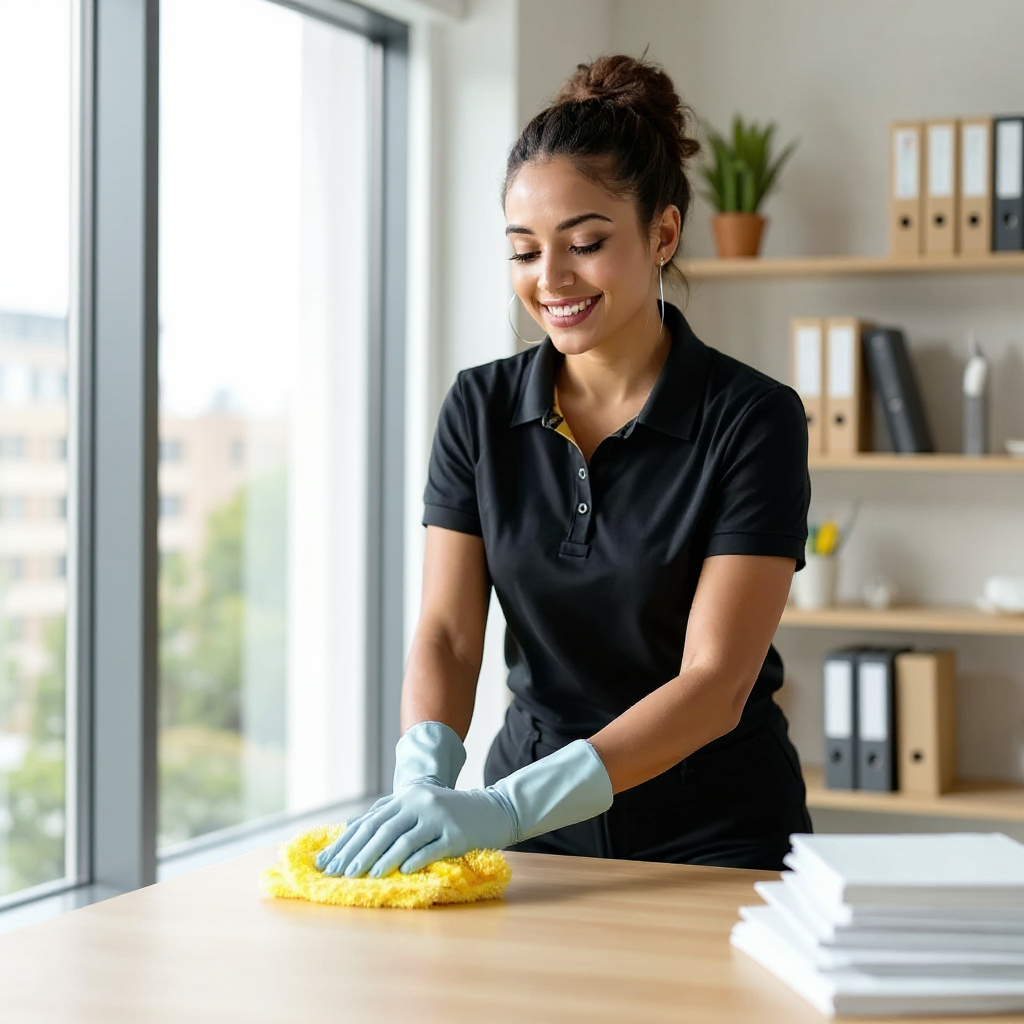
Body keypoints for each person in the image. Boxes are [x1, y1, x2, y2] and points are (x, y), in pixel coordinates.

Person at [316, 53, 812, 882]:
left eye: (585, 243)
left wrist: (508, 804)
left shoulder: (751, 419)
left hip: (715, 835)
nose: (551, 281)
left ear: (663, 232)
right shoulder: (478, 410)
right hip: (532, 842)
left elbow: (717, 682)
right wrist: (425, 782)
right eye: (523, 251)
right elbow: (447, 630)